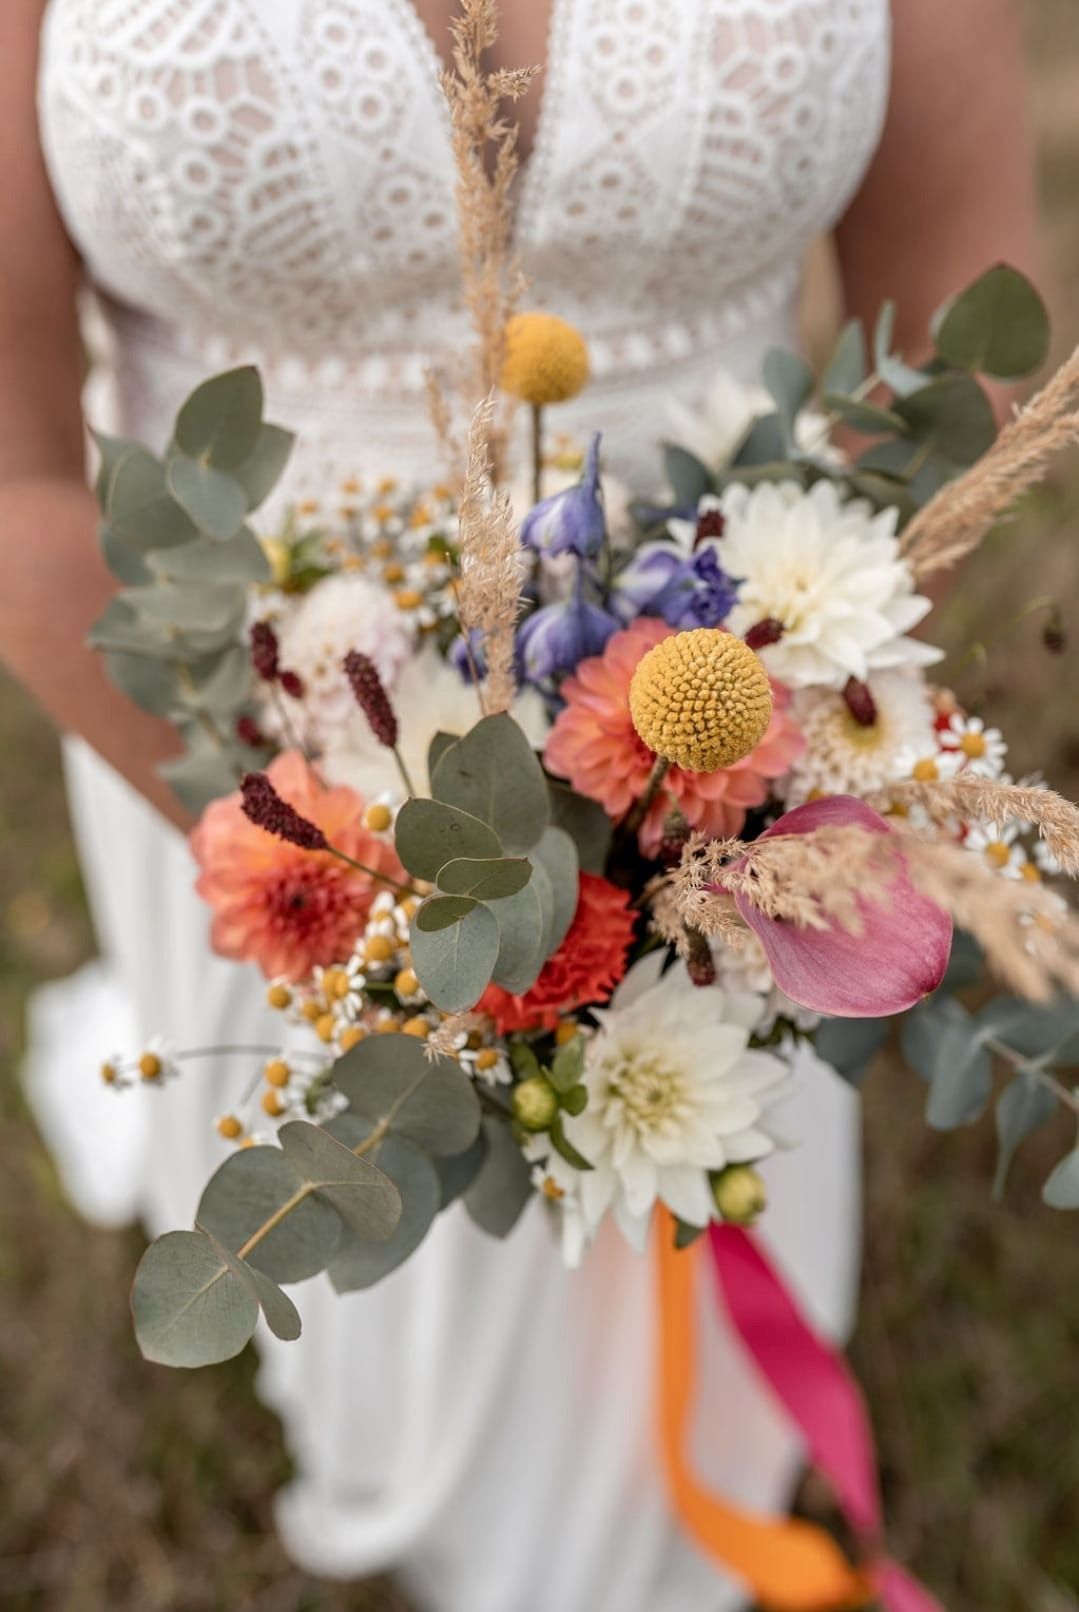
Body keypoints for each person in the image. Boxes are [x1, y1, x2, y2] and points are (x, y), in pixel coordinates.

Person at [1, 3, 1037, 1609]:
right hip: (246, 755)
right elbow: (18, 478)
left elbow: (964, 335)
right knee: (369, 1255)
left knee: (659, 1334)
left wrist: (747, 775)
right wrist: (336, 863)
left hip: (728, 735)